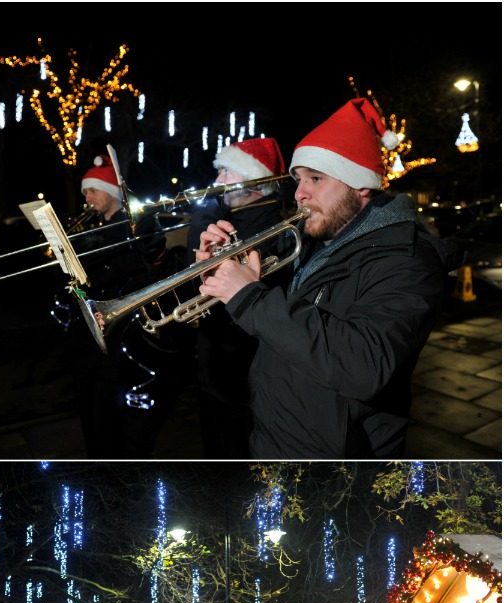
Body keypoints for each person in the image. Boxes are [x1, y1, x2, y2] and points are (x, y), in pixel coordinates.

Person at [196, 98, 462, 458]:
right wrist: (225, 278)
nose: (300, 192)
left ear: (361, 184)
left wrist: (252, 298)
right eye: (299, 179)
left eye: (316, 179)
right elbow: (283, 333)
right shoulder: (317, 241)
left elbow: (365, 366)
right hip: (273, 439)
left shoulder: (408, 261)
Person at [64, 156, 184, 459]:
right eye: (85, 193)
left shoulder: (131, 225)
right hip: (85, 334)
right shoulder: (91, 227)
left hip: (118, 335)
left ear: (110, 192)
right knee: (88, 407)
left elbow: (143, 271)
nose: (87, 198)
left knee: (108, 414)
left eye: (93, 191)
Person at [187, 138, 292, 458]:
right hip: (212, 372)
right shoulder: (221, 222)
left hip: (247, 383)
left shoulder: (280, 229)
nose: (217, 182)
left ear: (256, 178)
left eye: (226, 173)